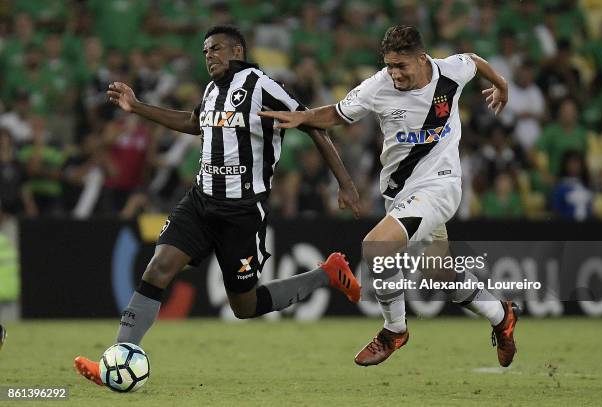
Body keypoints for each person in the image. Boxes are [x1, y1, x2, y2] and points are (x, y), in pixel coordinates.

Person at [74, 25, 361, 386]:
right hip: (201, 201)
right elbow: (192, 122)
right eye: (205, 51)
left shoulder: (261, 85)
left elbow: (314, 126)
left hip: (241, 212)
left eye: (216, 48)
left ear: (237, 51)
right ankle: (116, 359)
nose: (208, 55)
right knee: (158, 267)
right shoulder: (212, 90)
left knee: (245, 306)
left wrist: (346, 184)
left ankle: (327, 273)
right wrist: (136, 107)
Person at [260, 25, 519, 367]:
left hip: (441, 186)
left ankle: (394, 330)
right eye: (390, 65)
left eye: (402, 66)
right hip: (401, 194)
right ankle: (502, 316)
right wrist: (304, 117)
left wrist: (501, 85)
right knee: (438, 274)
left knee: (376, 245)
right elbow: (337, 113)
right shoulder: (377, 86)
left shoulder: (449, 72)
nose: (395, 73)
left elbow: (474, 60)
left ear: (422, 59)